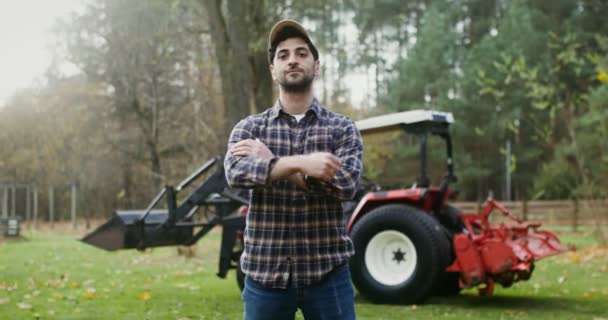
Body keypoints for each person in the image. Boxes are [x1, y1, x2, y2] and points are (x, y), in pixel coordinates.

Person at [224, 19, 363, 320]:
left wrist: (270, 161)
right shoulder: (250, 128)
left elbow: (345, 185)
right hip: (265, 277)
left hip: (328, 275)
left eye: (301, 53)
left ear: (316, 65)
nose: (292, 60)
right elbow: (236, 174)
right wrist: (301, 164)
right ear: (274, 70)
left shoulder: (342, 129)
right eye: (283, 55)